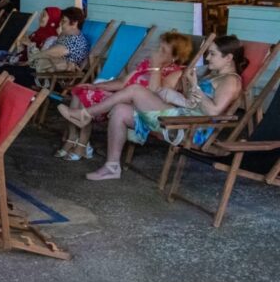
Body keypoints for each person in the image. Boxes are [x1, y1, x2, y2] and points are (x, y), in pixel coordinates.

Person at [59, 35, 246, 181]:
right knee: (120, 110)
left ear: (229, 58)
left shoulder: (231, 81)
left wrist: (194, 87)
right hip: (181, 118)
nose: (208, 57)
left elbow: (214, 112)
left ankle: (85, 114)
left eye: (213, 54)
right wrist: (183, 93)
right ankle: (112, 167)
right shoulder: (215, 76)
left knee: (135, 90)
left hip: (191, 129)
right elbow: (195, 101)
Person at [56, 32, 191, 160]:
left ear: (174, 57)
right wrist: (97, 86)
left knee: (86, 97)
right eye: (158, 47)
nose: (157, 51)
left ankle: (82, 144)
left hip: (135, 109)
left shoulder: (175, 73)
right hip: (120, 97)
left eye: (163, 50)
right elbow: (122, 83)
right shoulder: (146, 64)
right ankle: (74, 137)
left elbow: (155, 95)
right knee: (82, 90)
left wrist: (156, 67)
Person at [2, 6, 89, 88]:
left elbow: (49, 53)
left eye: (64, 21)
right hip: (45, 71)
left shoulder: (74, 41)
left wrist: (29, 58)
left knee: (6, 71)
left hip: (51, 78)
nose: (60, 24)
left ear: (74, 23)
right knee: (6, 69)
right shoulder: (69, 36)